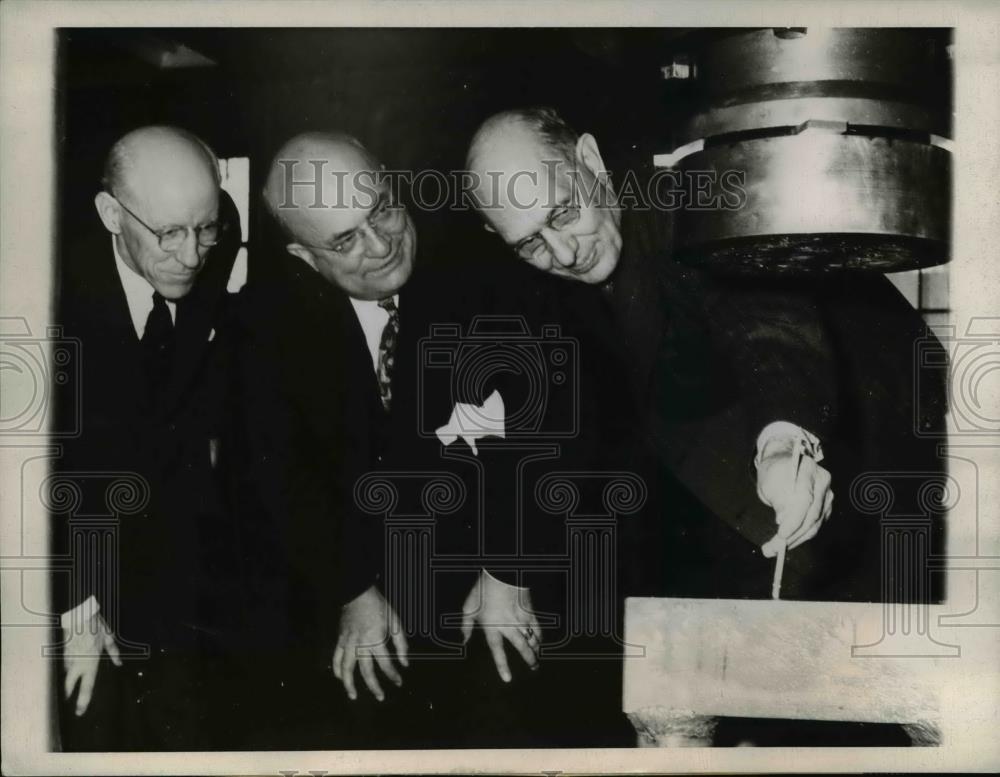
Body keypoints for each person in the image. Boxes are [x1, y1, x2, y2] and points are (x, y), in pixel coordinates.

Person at [232, 130, 635, 747]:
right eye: (345, 240)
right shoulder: (265, 325)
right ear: (304, 257)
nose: (382, 245)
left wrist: (508, 570)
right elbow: (278, 472)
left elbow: (559, 418)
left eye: (383, 210)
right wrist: (353, 590)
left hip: (509, 568)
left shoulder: (492, 273)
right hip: (368, 593)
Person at [465, 107, 948, 603]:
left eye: (563, 213)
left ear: (590, 159)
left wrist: (783, 439)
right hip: (732, 465)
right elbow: (542, 413)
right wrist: (506, 572)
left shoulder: (690, 198)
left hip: (876, 432)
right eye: (529, 245)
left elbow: (764, 318)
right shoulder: (545, 271)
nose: (563, 254)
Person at [53, 125, 245, 750]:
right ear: (111, 213)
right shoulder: (49, 299)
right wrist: (75, 603)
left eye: (204, 228)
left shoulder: (217, 225)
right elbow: (33, 467)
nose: (191, 254)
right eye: (168, 234)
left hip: (174, 553)